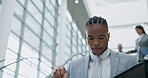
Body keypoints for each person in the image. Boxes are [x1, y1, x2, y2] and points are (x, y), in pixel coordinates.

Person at [53, 16, 138, 78]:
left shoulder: (130, 61)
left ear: (108, 36)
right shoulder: (73, 67)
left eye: (101, 38)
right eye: (91, 38)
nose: (96, 43)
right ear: (86, 37)